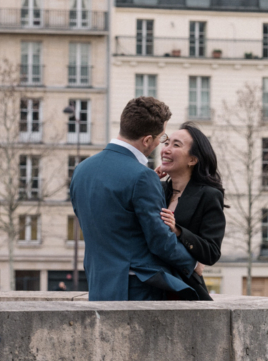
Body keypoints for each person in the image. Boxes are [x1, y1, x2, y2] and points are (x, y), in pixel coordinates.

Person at [69, 97, 197, 300]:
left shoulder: (82, 170)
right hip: (136, 289)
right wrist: (194, 262)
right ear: (147, 140)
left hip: (99, 286)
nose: (160, 144)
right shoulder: (142, 176)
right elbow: (159, 240)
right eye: (161, 138)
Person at [155, 123, 226, 301]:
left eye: (176, 145)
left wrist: (178, 231)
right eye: (167, 143)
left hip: (184, 290)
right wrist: (149, 181)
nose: (166, 150)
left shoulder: (209, 195)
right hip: (150, 287)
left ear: (192, 160)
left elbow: (211, 252)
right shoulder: (157, 189)